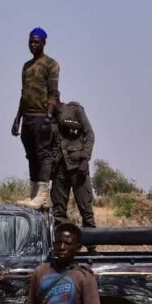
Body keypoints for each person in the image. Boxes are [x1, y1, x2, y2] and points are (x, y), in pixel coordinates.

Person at [12, 26, 60, 209]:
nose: (33, 45)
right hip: (27, 117)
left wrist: (48, 117)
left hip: (42, 117)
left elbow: (53, 93)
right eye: (30, 41)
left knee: (43, 155)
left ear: (44, 43)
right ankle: (33, 194)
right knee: (31, 155)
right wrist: (17, 118)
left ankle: (43, 195)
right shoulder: (26, 66)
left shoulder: (51, 64)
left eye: (36, 42)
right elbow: (23, 94)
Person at [50, 101, 97, 251]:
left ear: (54, 98)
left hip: (77, 167)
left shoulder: (74, 110)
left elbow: (90, 135)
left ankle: (91, 249)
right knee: (58, 212)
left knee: (86, 210)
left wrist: (85, 160)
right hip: (58, 168)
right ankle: (65, 249)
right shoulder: (49, 118)